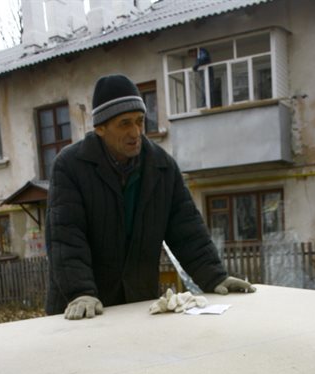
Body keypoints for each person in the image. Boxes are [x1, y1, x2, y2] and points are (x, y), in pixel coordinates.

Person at [45, 74, 254, 319]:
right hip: (81, 310)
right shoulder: (70, 166)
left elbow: (187, 230)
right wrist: (80, 292)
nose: (135, 132)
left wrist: (215, 276)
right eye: (124, 123)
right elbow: (66, 238)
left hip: (137, 305)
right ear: (100, 128)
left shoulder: (162, 167)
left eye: (140, 121)